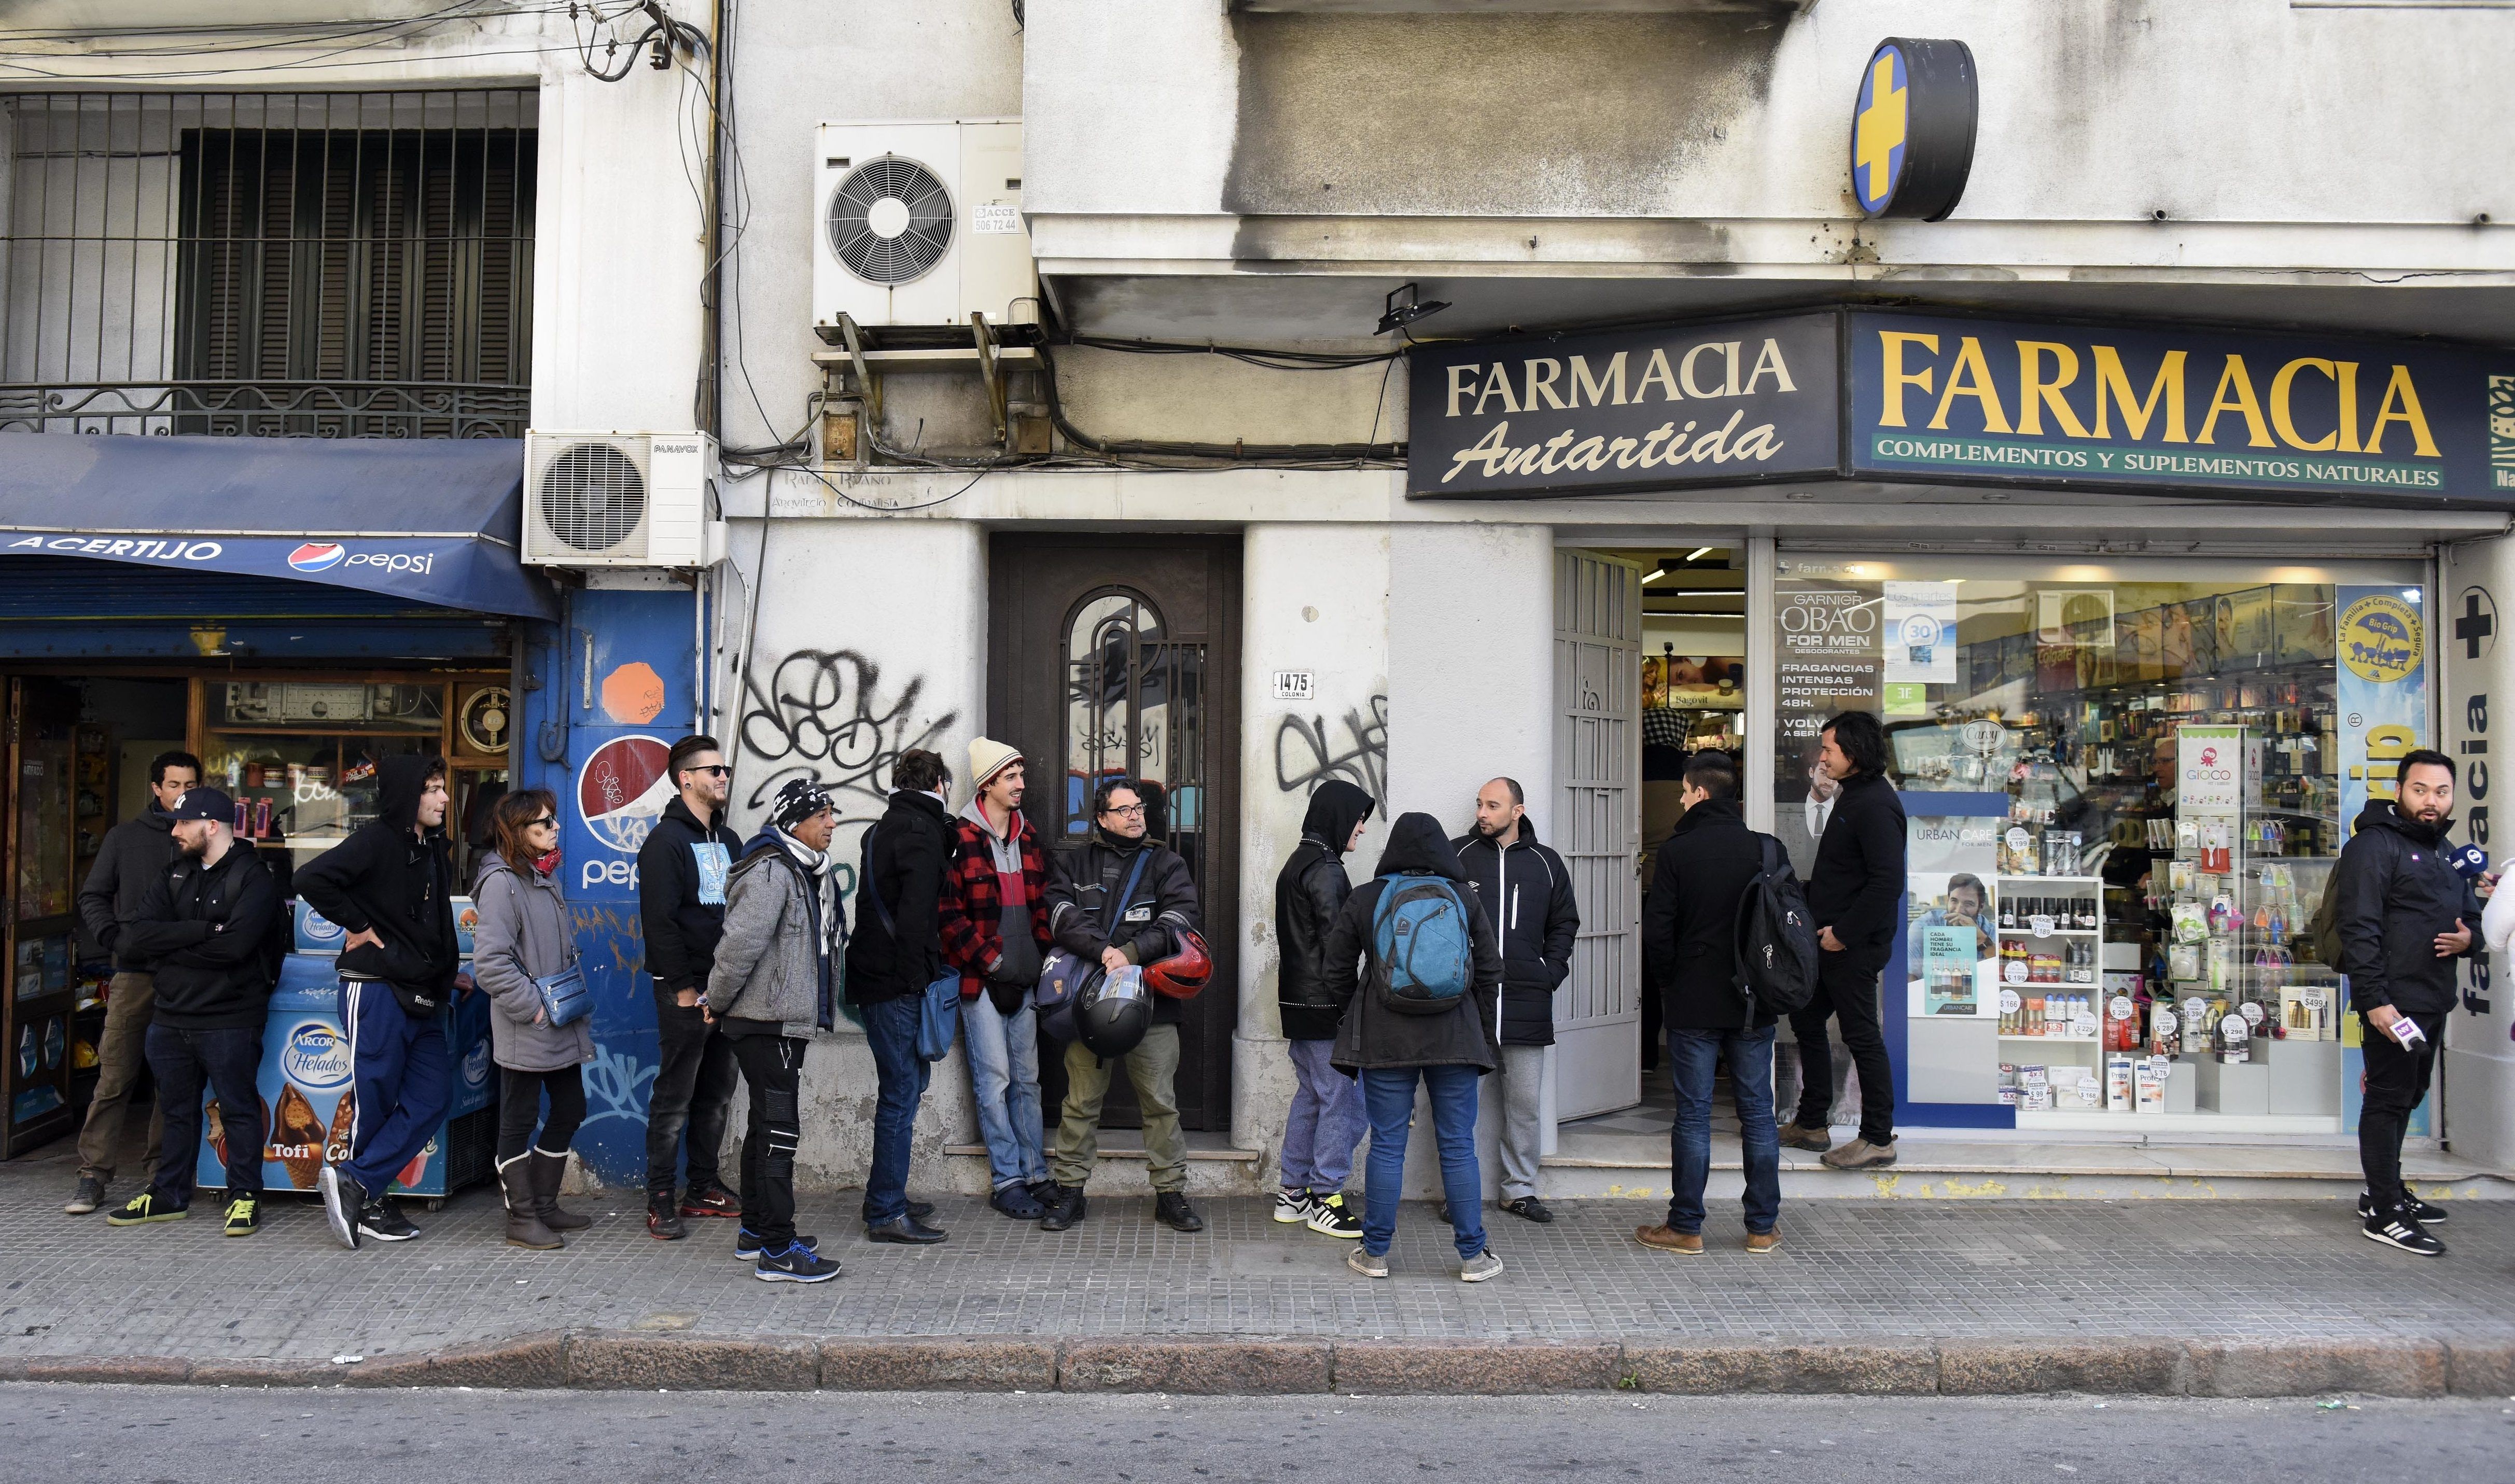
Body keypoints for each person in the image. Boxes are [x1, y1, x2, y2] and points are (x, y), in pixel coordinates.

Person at [1325, 811, 1506, 1283]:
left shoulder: (1367, 897)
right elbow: (1490, 969)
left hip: (1386, 1039)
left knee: (1387, 1144)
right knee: (1458, 1145)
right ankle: (1474, 1256)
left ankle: (1375, 1253)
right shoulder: (1464, 897)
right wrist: (1472, 1012)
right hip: (1457, 1038)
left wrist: (1360, 1006)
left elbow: (1335, 968)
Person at [300, 754, 463, 1249]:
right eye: (432, 788)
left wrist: (448, 975)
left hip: (426, 992)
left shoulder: (431, 847)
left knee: (432, 1097)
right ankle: (369, 1202)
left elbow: (426, 922)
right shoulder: (375, 840)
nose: (443, 798)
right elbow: (310, 880)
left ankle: (356, 1180)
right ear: (405, 794)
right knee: (377, 1100)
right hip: (375, 991)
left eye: (442, 788)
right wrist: (358, 925)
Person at [103, 786, 279, 1238]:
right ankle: (168, 1194)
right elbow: (140, 935)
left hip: (229, 1019)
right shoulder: (173, 875)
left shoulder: (254, 878)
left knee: (239, 1109)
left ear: (212, 826)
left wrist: (176, 945)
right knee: (177, 1111)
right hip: (170, 1017)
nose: (175, 831)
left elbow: (237, 948)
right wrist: (204, 931)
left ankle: (245, 1197)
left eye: (183, 823)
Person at [1038, 779, 1206, 1235]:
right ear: (1102, 818)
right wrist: (1104, 951)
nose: (1135, 816)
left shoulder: (1168, 864)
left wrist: (1128, 954)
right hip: (1088, 1004)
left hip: (1154, 1007)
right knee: (1081, 1102)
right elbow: (1059, 915)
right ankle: (1070, 1192)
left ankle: (1170, 1194)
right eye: (1124, 809)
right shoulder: (1074, 862)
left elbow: (1179, 920)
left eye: (1139, 808)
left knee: (1160, 1103)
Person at [1633, 752, 1781, 1255]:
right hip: (1752, 1003)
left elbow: (1656, 930)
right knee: (1757, 1114)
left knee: (1693, 1116)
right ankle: (1761, 1228)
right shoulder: (1766, 850)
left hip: (1694, 1003)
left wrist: (1672, 982)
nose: (1678, 798)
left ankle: (1685, 1226)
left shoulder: (1677, 852)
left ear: (1699, 793)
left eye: (1682, 790)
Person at [2334, 749, 2475, 1257]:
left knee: (2408, 1095)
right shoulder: (2373, 847)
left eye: (2440, 791)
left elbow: (2470, 916)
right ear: (2399, 790)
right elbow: (2359, 928)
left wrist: (2469, 941)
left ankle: (2383, 1190)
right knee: (2387, 1100)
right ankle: (2384, 1213)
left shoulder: (2444, 850)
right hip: (2392, 1004)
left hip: (2432, 998)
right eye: (2420, 790)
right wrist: (2373, 1001)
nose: (2430, 801)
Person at [705, 776, 845, 1282]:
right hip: (766, 1023)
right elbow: (738, 946)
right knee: (780, 1132)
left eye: (832, 813)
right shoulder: (771, 873)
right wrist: (714, 1001)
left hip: (773, 1021)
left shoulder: (796, 870)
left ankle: (756, 1232)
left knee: (765, 1126)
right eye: (822, 814)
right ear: (794, 822)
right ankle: (779, 1251)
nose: (832, 823)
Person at [64, 749, 196, 1215]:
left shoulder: (203, 837)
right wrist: (113, 937)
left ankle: (161, 1174)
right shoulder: (125, 837)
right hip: (134, 974)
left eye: (190, 786)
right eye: (175, 785)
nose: (182, 794)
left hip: (185, 975)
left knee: (173, 1079)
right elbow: (93, 895)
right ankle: (93, 1174)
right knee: (116, 1075)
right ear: (157, 789)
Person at [1779, 711, 1907, 1170]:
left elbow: (1886, 882)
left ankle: (1877, 1138)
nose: (1823, 757)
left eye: (1830, 749)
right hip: (1830, 942)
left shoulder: (1874, 804)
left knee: (1861, 1037)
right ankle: (1812, 1121)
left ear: (1853, 753)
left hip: (1851, 946)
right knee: (1808, 1022)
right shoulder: (1857, 797)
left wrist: (1843, 934)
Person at [938, 738, 1057, 1221]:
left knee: (1027, 1079)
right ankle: (1006, 1180)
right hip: (981, 982)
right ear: (988, 783)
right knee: (995, 1081)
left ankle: (1036, 1173)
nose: (1021, 785)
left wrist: (1044, 956)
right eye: (1011, 777)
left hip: (1026, 980)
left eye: (1021, 776)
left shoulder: (1028, 837)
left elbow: (1043, 903)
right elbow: (948, 915)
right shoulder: (961, 837)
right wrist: (991, 963)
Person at [1451, 777, 1578, 1224]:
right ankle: (1458, 1192)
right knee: (1459, 1106)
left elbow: (1565, 921)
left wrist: (1551, 972)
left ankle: (1519, 1190)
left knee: (1524, 1105)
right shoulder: (1457, 857)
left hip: (1527, 1003)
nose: (1482, 813)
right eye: (1480, 804)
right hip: (1469, 1007)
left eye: (1493, 805)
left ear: (1517, 811)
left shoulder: (1547, 864)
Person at [636, 734, 747, 1240]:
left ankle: (702, 1186)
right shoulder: (664, 843)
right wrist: (683, 989)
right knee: (675, 1095)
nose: (723, 777)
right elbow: (658, 922)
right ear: (685, 779)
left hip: (727, 987)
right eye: (712, 771)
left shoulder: (728, 842)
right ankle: (661, 1198)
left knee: (717, 1094)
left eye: (724, 770)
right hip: (685, 991)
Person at [471, 790, 594, 1251]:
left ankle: (543, 1206)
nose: (555, 828)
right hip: (530, 1026)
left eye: (554, 820)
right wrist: (536, 1009)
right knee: (517, 1121)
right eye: (544, 823)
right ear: (517, 832)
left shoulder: (543, 878)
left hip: (561, 1022)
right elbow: (491, 963)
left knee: (570, 1109)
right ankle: (521, 1218)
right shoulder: (503, 884)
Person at [845, 748, 954, 1245]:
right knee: (901, 1094)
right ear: (938, 784)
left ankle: (885, 1195)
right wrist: (918, 982)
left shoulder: (884, 828)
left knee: (903, 1091)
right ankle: (886, 1210)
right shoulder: (920, 832)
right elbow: (914, 917)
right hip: (896, 983)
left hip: (875, 977)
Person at [1272, 779, 1375, 1239]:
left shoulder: (1297, 863)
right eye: (1359, 821)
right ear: (1338, 817)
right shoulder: (1328, 869)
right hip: (1326, 1004)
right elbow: (1339, 950)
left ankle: (1293, 1193)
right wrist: (1354, 1005)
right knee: (1343, 1101)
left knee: (1313, 1097)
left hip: (1299, 1003)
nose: (1362, 832)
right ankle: (1326, 1198)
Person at [1906, 872, 1994, 969]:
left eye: (1968, 904)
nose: (1959, 910)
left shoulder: (1990, 930)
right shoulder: (1924, 925)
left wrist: (1982, 939)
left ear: (1981, 908)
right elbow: (1911, 976)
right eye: (1954, 901)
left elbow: (1998, 970)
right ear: (1948, 901)